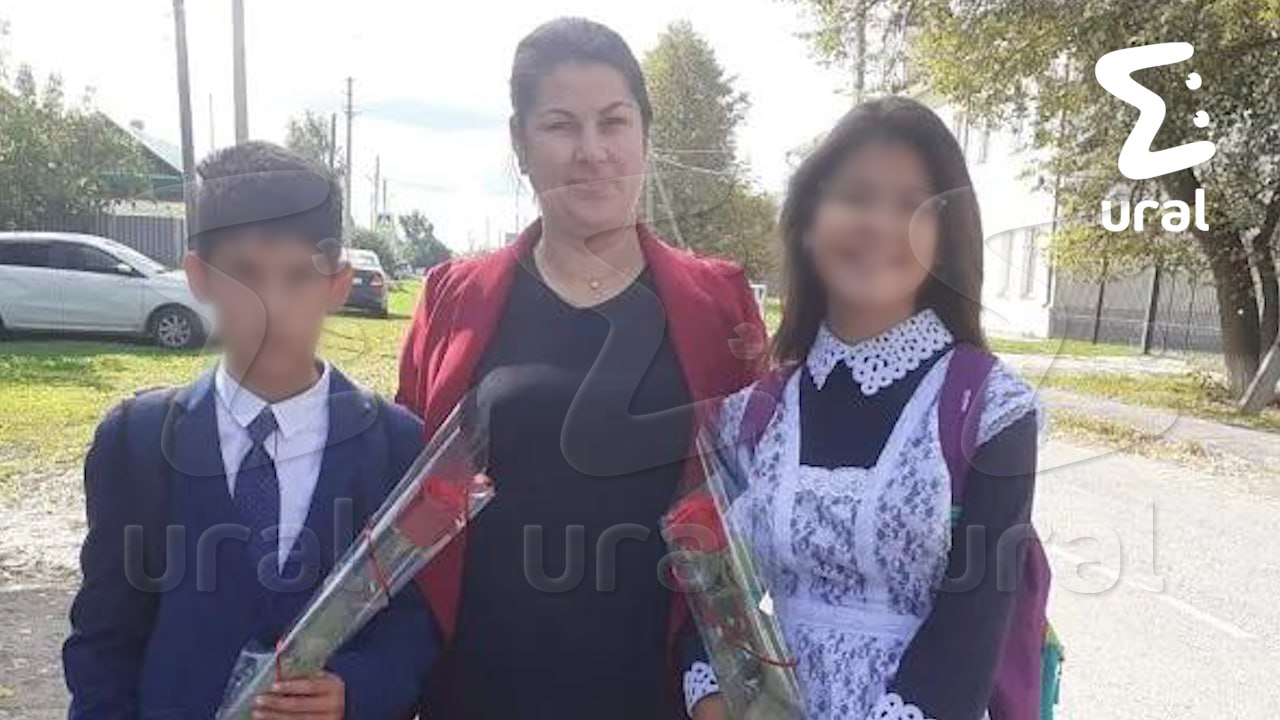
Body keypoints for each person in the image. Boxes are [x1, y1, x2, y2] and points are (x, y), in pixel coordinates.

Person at [396, 17, 763, 720]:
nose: (592, 151)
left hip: (660, 693)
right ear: (520, 144)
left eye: (613, 122)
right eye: (560, 126)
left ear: (645, 135)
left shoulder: (719, 304)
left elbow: (757, 505)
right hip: (479, 690)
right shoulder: (453, 299)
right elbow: (404, 508)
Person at [63, 142, 438, 719]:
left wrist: (357, 691)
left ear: (338, 283)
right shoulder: (138, 442)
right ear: (199, 277)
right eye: (244, 275)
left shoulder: (395, 445)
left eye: (299, 276)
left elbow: (415, 621)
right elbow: (105, 636)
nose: (272, 306)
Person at [714, 97, 1041, 719]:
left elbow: (973, 630)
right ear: (809, 222)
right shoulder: (754, 416)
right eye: (855, 196)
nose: (879, 225)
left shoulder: (991, 411)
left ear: (945, 238)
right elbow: (712, 596)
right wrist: (712, 692)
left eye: (910, 205)